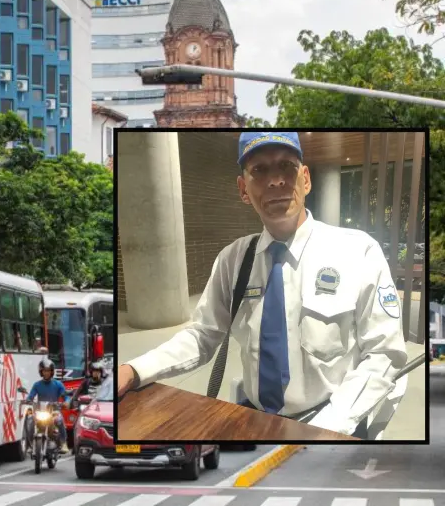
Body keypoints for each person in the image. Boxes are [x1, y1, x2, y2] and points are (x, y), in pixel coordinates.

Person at [117, 131, 408, 438]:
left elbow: (384, 354)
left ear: (305, 179)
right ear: (244, 189)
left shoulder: (357, 252)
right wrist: (135, 370)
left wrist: (328, 427)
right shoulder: (234, 259)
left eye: (286, 166)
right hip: (254, 423)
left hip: (333, 422)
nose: (275, 180)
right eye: (260, 170)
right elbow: (203, 335)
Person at [26, 357, 70, 453]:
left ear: (52, 372)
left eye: (48, 371)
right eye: (44, 371)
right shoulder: (37, 385)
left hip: (54, 411)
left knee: (59, 420)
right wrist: (27, 400)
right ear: (41, 372)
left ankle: (63, 443)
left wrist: (66, 401)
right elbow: (30, 396)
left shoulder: (58, 384)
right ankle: (30, 445)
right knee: (30, 421)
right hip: (41, 411)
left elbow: (66, 396)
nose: (46, 373)